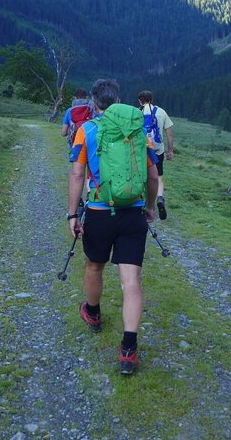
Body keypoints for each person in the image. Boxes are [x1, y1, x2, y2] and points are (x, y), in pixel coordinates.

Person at [68, 79, 160, 375]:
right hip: (133, 213)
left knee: (94, 265)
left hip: (99, 211)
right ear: (118, 101)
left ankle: (93, 313)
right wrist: (149, 207)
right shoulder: (138, 131)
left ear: (94, 103)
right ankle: (129, 350)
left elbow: (77, 174)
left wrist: (72, 214)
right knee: (131, 281)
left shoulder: (86, 130)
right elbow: (153, 175)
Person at [137, 90, 174, 220]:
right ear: (151, 99)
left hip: (142, 150)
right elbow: (169, 133)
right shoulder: (161, 112)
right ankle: (159, 198)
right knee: (158, 177)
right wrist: (170, 150)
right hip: (157, 151)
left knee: (141, 175)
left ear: (140, 101)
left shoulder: (137, 112)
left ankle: (142, 202)